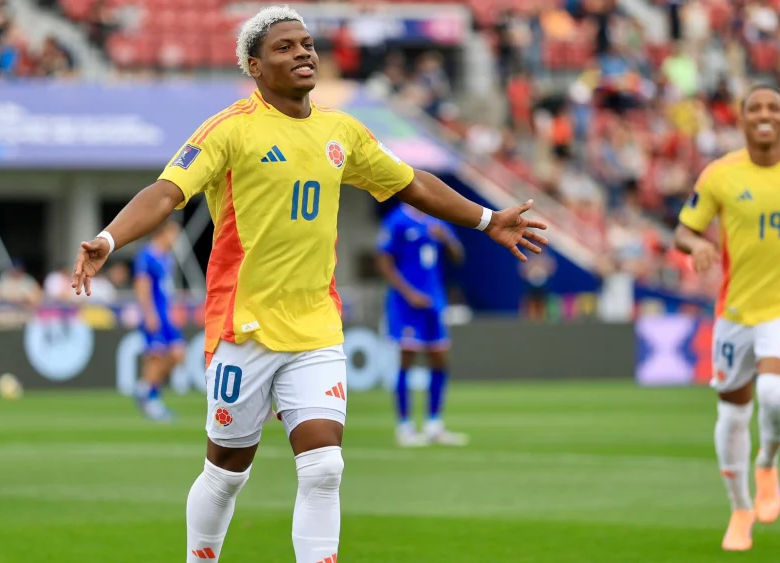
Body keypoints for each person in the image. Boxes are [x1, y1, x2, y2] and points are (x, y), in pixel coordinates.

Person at [70, 7, 548, 562]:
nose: (303, 52)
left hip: (316, 324)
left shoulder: (340, 130)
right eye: (284, 47)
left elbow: (412, 182)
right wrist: (108, 238)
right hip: (242, 326)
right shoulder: (230, 129)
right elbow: (165, 192)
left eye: (307, 43)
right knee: (226, 474)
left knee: (324, 467)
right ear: (254, 66)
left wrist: (487, 220)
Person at [674, 84, 780, 552]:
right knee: (732, 415)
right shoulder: (720, 175)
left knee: (774, 393)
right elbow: (682, 232)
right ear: (742, 118)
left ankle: (767, 461)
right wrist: (699, 245)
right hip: (734, 314)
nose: (765, 114)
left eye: (773, 107)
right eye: (755, 108)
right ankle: (740, 508)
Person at [376, 202, 466, 447]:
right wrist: (409, 293)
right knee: (407, 358)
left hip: (434, 300)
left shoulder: (437, 219)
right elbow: (383, 262)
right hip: (407, 303)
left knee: (440, 359)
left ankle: (434, 425)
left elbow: (458, 256)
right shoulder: (397, 220)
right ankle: (404, 427)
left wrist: (446, 238)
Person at [132, 219, 185, 422]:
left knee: (178, 355)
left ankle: (145, 388)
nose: (176, 239)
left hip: (166, 315)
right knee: (155, 356)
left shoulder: (166, 258)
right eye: (174, 234)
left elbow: (166, 290)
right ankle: (152, 399)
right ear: (163, 233)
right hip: (154, 314)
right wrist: (148, 314)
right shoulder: (146, 256)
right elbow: (142, 286)